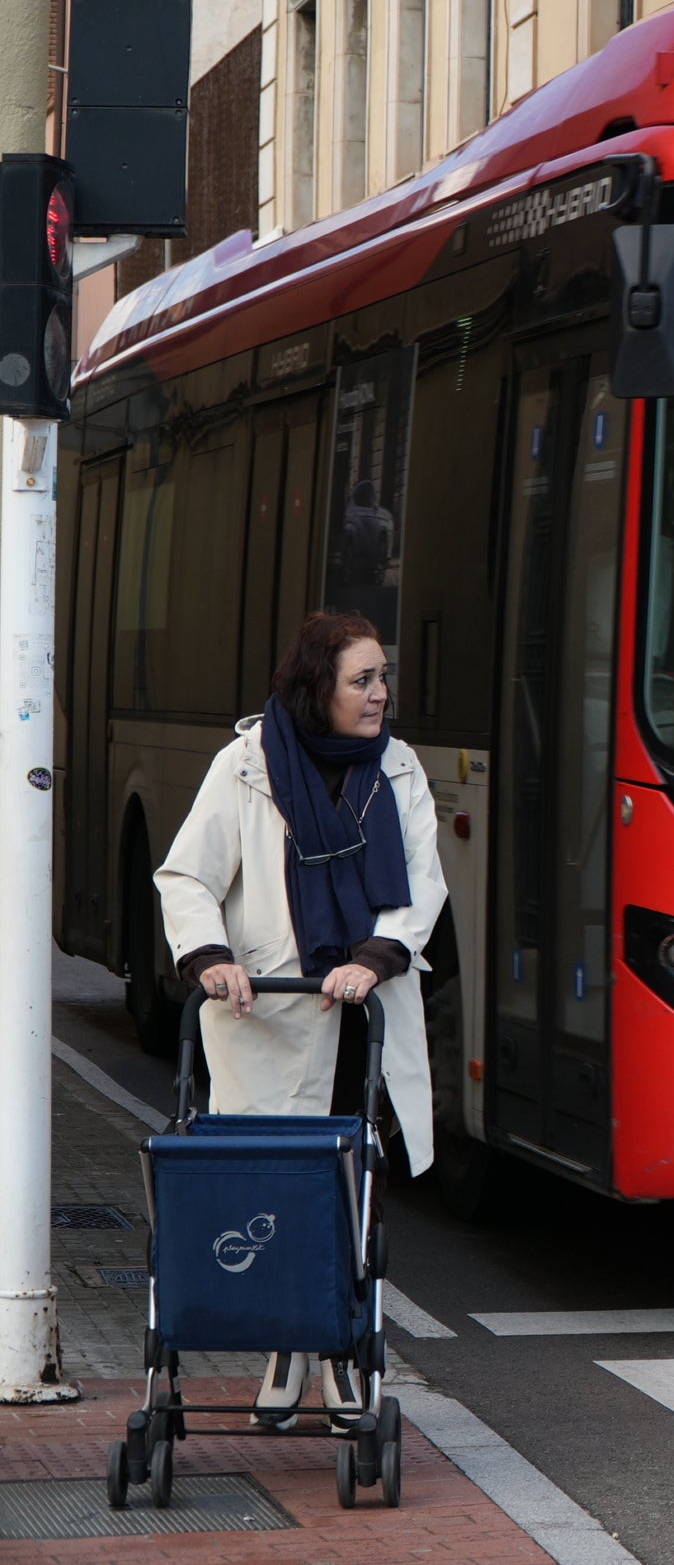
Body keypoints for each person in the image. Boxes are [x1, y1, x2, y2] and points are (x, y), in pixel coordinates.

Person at [155, 610, 448, 1430]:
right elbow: (187, 875)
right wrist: (210, 958)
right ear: (318, 686)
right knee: (278, 1189)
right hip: (272, 1015)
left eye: (384, 676)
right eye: (363, 679)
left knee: (357, 1186)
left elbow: (423, 881)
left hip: (364, 1012)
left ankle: (341, 1347)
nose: (380, 693)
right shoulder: (245, 763)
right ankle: (292, 1349)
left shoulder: (397, 768)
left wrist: (376, 957)